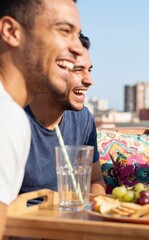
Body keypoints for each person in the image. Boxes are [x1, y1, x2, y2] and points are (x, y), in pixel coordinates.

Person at [0, 0, 83, 237]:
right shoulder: (6, 117)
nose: (77, 49)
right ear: (11, 31)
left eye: (77, 35)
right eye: (64, 31)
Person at [20, 33, 106, 196]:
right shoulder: (12, 119)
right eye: (77, 70)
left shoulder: (83, 119)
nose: (89, 80)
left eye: (89, 70)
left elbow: (94, 181)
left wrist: (94, 212)